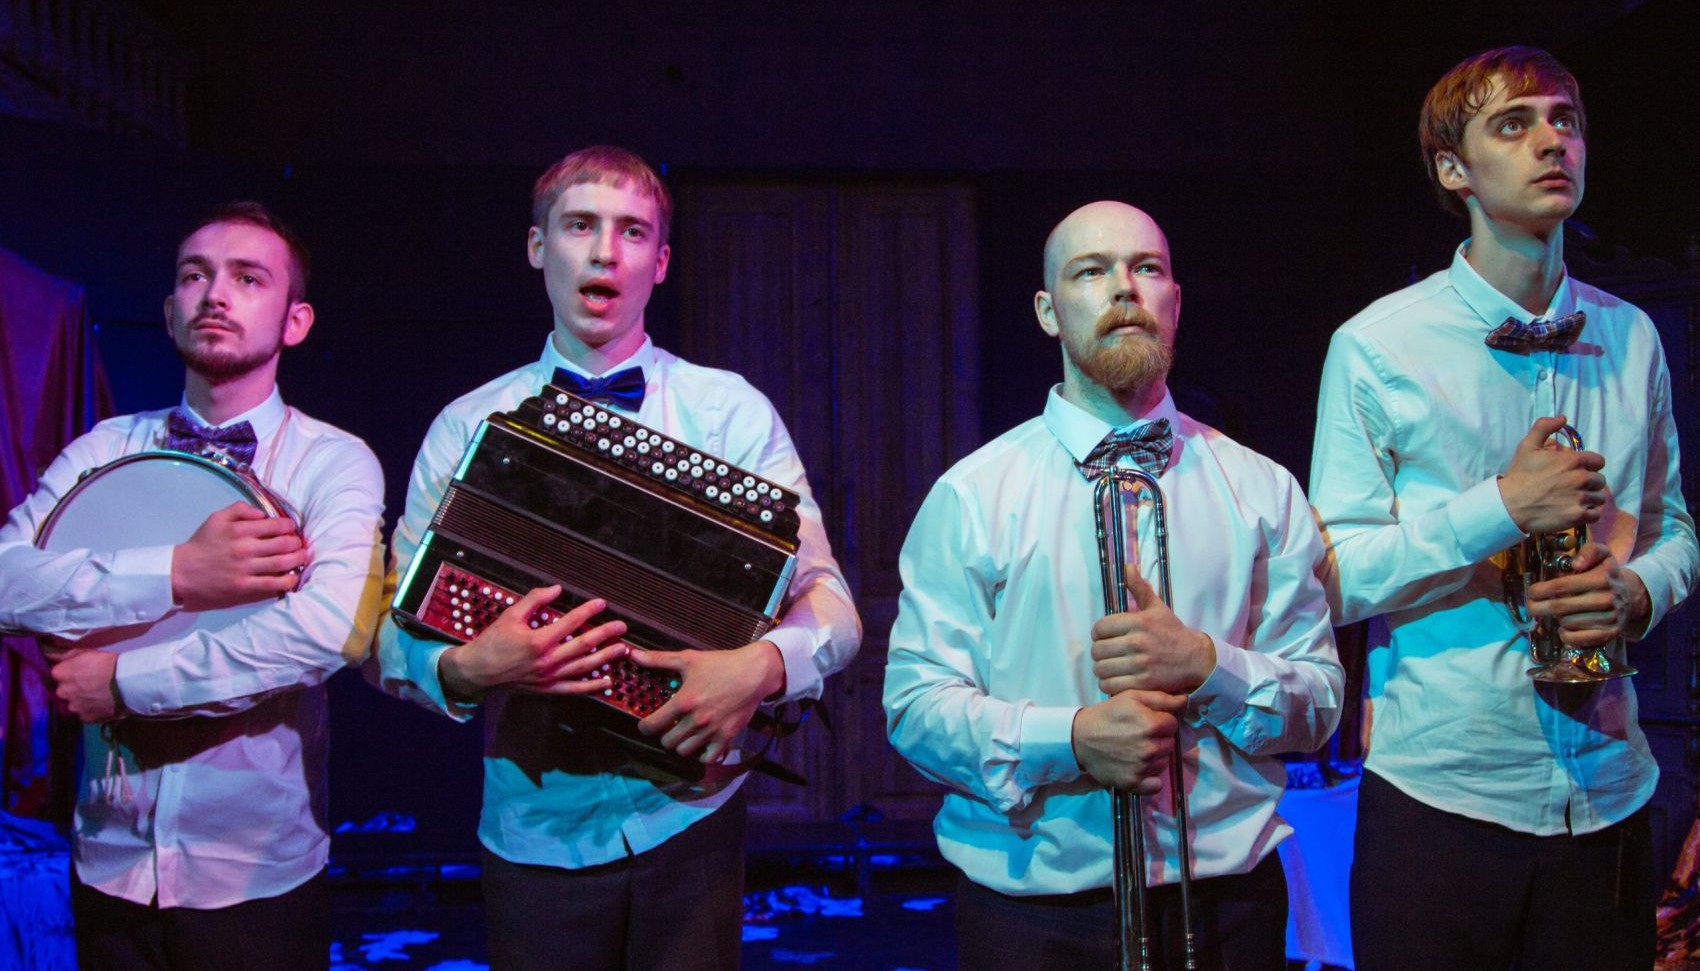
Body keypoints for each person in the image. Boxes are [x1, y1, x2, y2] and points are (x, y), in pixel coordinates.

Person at [374, 145, 861, 971]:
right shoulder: (468, 424)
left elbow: (833, 606)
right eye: (580, 226)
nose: (605, 251)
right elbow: (388, 638)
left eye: (632, 231)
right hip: (534, 825)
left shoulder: (728, 411)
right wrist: (467, 667)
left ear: (660, 262)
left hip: (692, 817)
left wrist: (760, 668)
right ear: (538, 247)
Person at [1310, 46, 1699, 971]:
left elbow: (1676, 529)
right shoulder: (1379, 345)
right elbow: (1334, 575)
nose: (1551, 141)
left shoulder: (1632, 334)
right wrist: (1500, 507)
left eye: (1565, 119)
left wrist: (1638, 592)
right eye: (1514, 124)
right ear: (1455, 170)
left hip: (1607, 787)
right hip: (1443, 798)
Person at [883, 200, 1342, 970]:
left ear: (1175, 303)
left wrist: (1208, 666)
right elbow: (915, 707)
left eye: (1146, 268)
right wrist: (1071, 739)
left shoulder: (1262, 489)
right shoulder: (973, 495)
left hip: (1228, 905)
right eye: (1091, 272)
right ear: (1048, 312)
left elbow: (1321, 703)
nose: (1125, 287)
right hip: (1032, 914)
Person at [0, 202, 387, 970]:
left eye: (248, 278)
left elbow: (328, 630)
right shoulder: (103, 448)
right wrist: (178, 572)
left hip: (258, 874)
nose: (216, 294)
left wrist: (122, 682)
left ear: (295, 321)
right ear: (169, 311)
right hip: (108, 860)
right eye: (195, 276)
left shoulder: (332, 461)